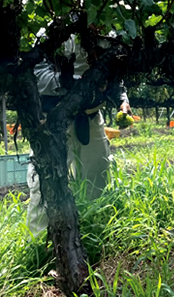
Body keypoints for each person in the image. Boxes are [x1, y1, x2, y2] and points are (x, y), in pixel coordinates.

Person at [26, 35, 130, 235]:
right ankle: (39, 245)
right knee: (43, 182)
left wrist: (121, 99)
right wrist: (79, 84)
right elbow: (38, 76)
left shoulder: (107, 35)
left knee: (98, 175)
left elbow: (114, 76)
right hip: (54, 120)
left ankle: (94, 234)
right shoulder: (51, 32)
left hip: (90, 118)